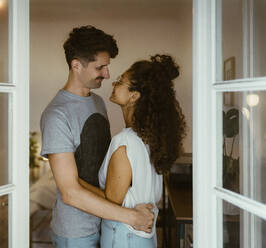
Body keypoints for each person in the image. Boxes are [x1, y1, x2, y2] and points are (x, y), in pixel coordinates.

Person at [40, 25, 154, 248]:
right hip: (76, 233)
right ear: (76, 65)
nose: (107, 74)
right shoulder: (57, 115)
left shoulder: (98, 102)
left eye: (107, 67)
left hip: (108, 223)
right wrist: (132, 216)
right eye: (100, 67)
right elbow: (70, 192)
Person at [79, 54, 186, 247]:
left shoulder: (125, 142)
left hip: (123, 238)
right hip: (144, 238)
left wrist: (73, 180)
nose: (114, 84)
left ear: (134, 96)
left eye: (121, 81)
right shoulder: (150, 138)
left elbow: (111, 200)